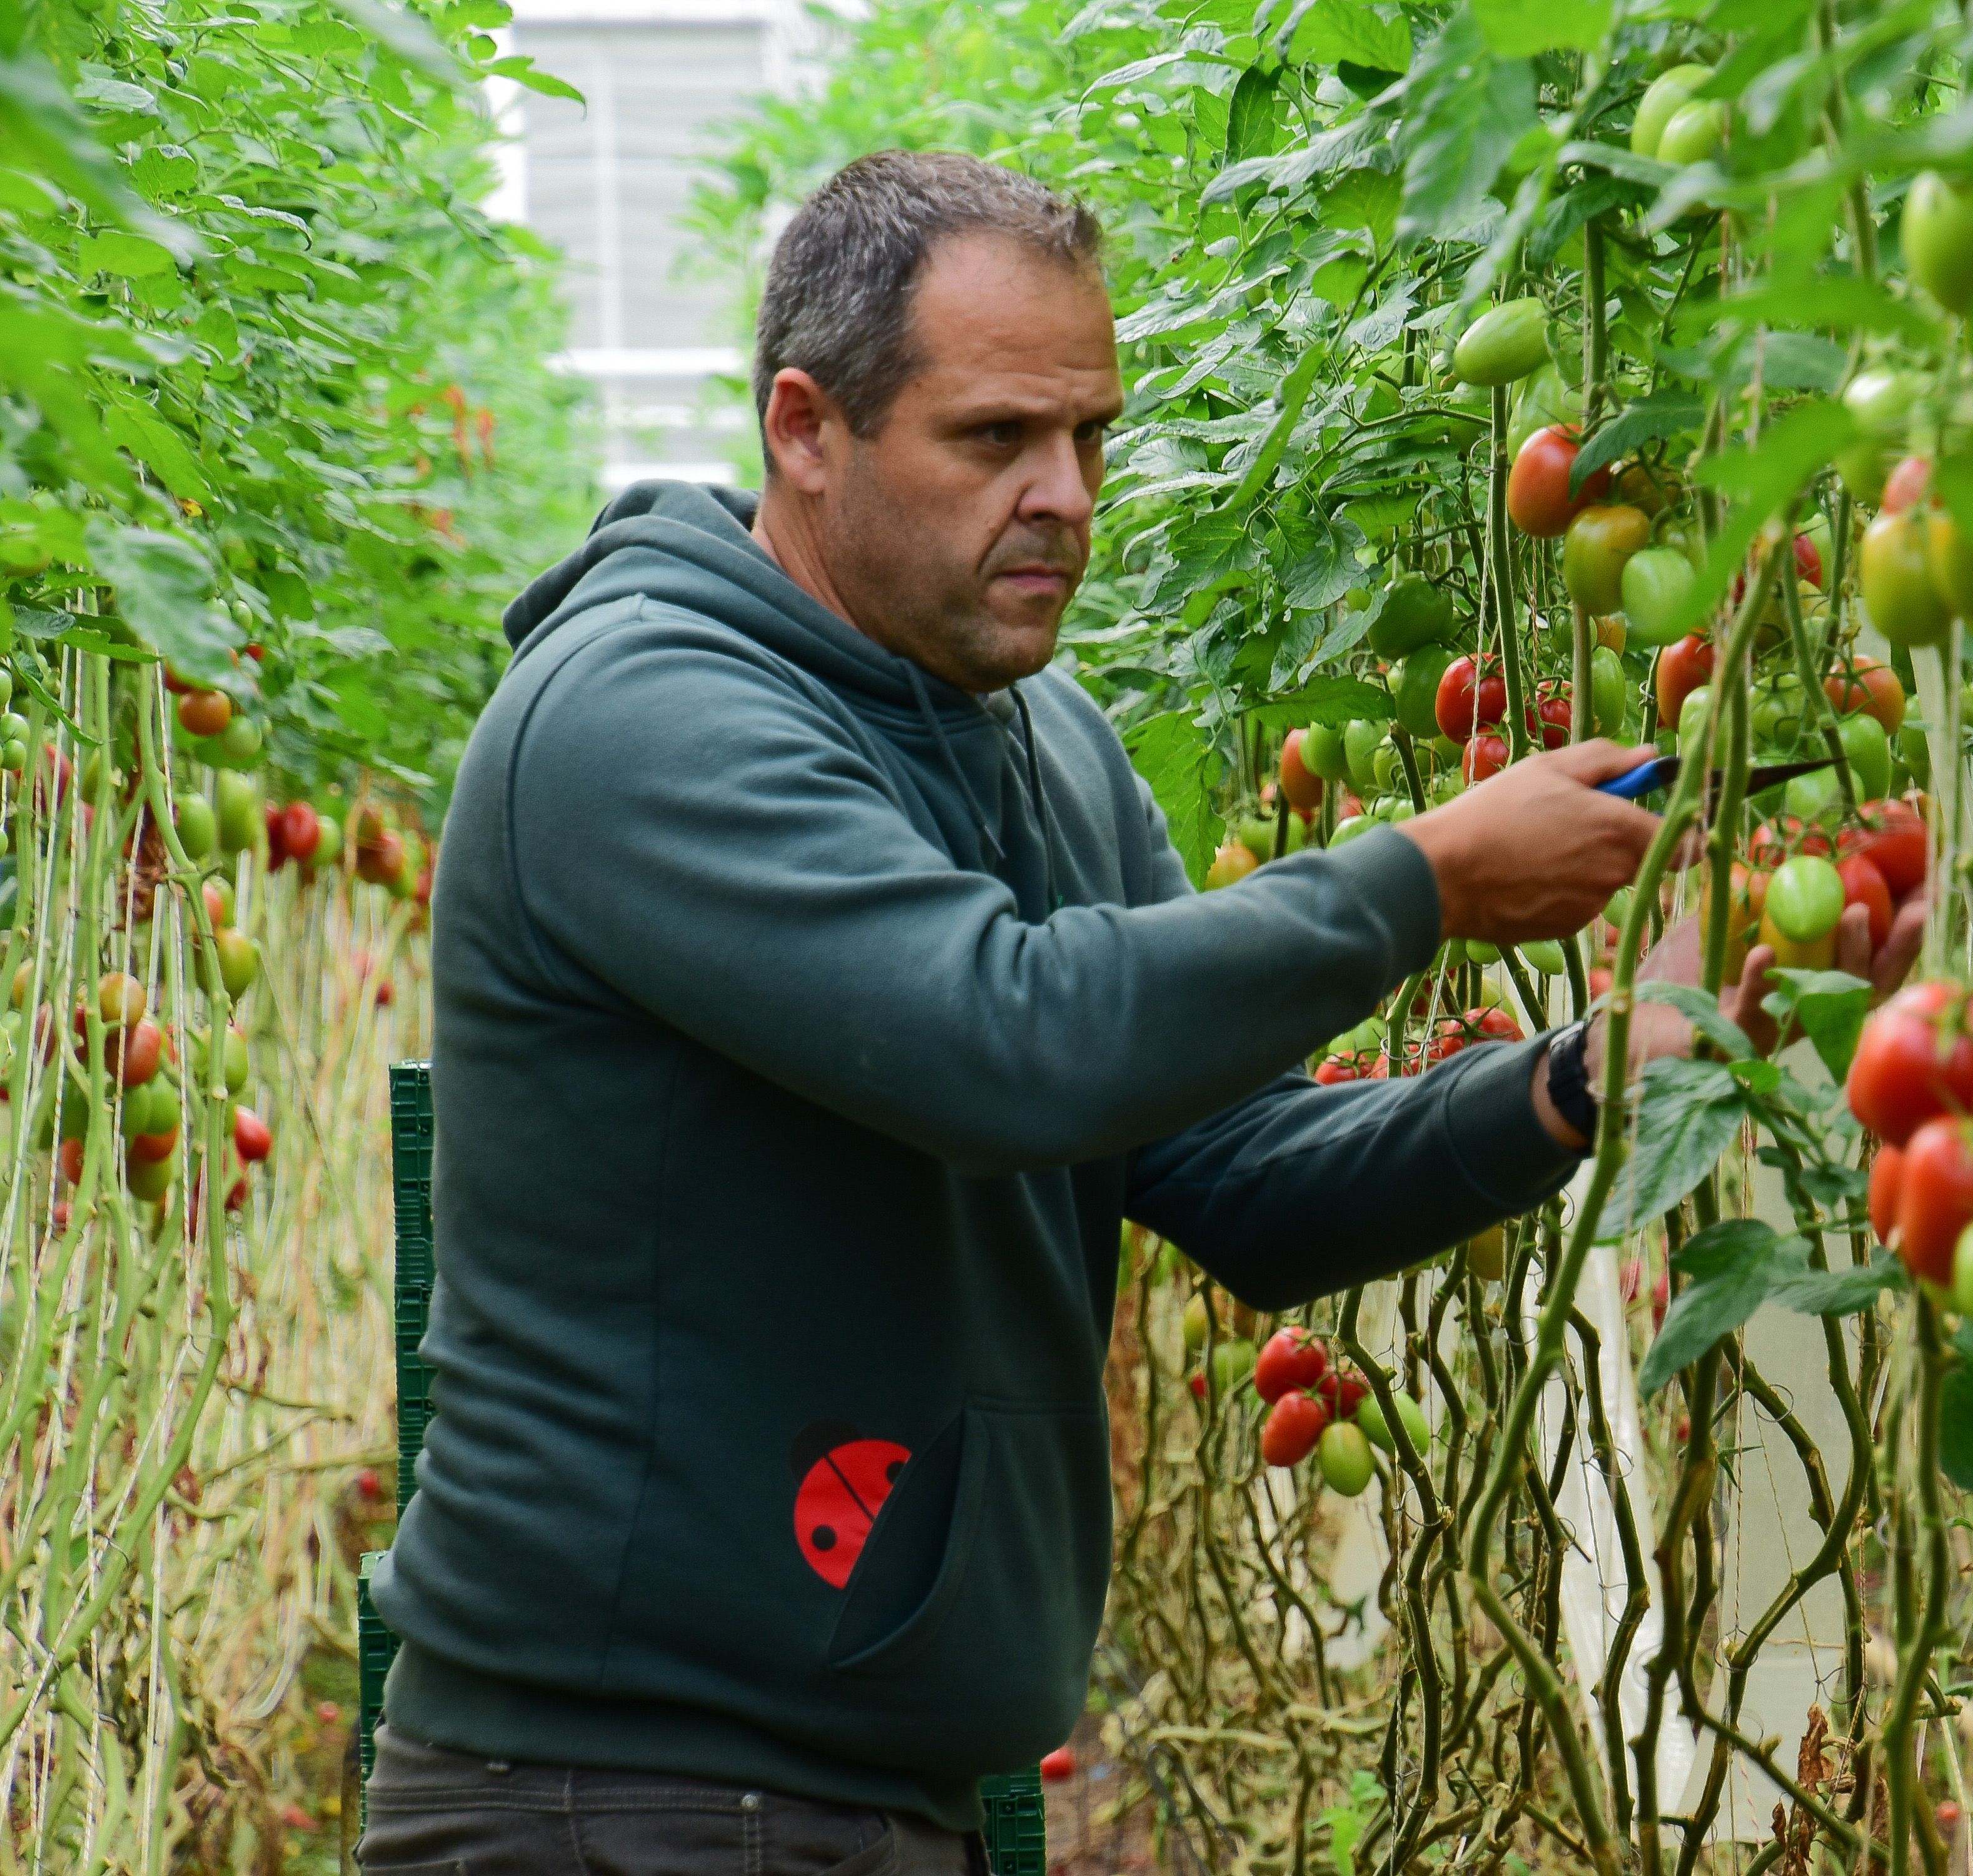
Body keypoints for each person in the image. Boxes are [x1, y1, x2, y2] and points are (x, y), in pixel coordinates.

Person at [356, 150, 1877, 1876]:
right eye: (997, 437)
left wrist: (1585, 1077)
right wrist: (1428, 879)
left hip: (867, 1799)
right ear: (805, 428)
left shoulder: (1049, 743)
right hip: (621, 1801)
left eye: (1091, 437)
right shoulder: (639, 714)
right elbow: (1007, 1040)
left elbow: (1239, 1170)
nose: (1065, 496)